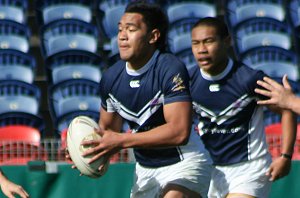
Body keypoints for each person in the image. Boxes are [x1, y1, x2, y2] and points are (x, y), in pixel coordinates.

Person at [79, 1, 212, 198]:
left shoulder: (170, 69)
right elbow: (108, 132)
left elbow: (179, 132)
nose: (122, 36)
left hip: (186, 162)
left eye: (131, 29)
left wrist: (122, 140)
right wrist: (88, 153)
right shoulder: (111, 78)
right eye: (120, 30)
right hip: (144, 171)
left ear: (153, 36)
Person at [188, 17, 297, 198]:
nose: (202, 50)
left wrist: (285, 156)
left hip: (249, 169)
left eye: (209, 41)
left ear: (227, 41)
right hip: (207, 168)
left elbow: (286, 109)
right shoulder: (188, 81)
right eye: (195, 43)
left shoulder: (249, 79)